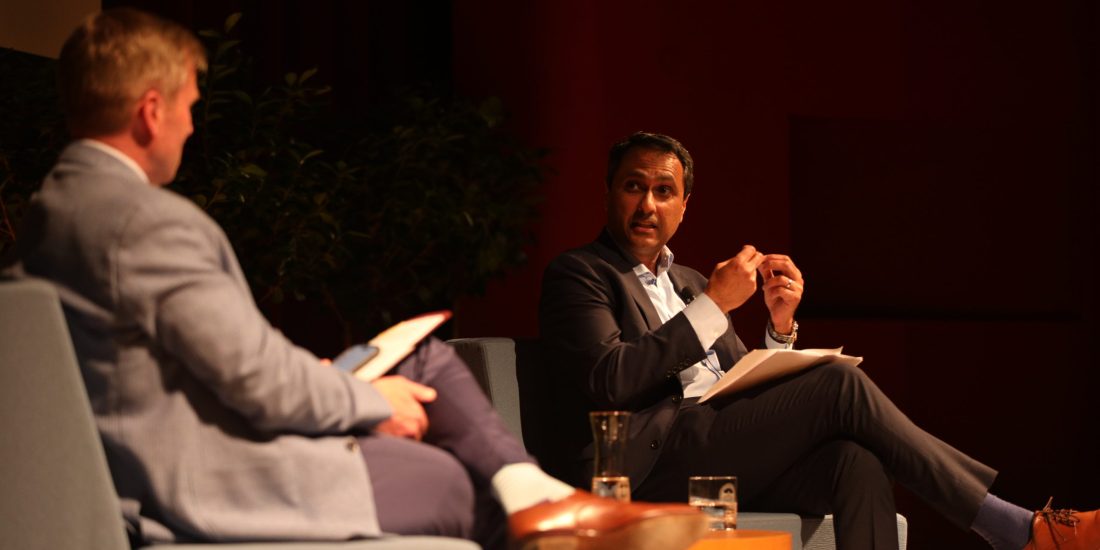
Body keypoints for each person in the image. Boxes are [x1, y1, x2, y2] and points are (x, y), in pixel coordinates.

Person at [11, 10, 711, 550]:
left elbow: (203, 362)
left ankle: (537, 493)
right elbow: (257, 384)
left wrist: (340, 379)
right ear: (151, 110)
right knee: (459, 479)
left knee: (425, 355)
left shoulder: (53, 216)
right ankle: (540, 501)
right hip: (215, 481)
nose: (192, 126)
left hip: (185, 447)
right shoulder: (147, 223)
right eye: (191, 106)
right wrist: (369, 402)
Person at [538, 131, 1098, 550]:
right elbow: (608, 380)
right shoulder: (580, 274)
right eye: (634, 187)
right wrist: (716, 306)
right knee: (837, 384)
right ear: (609, 192)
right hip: (649, 467)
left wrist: (779, 329)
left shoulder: (688, 283)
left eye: (665, 191)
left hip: (716, 449)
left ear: (685, 208)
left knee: (855, 460)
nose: (648, 204)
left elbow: (741, 386)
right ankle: (1012, 526)